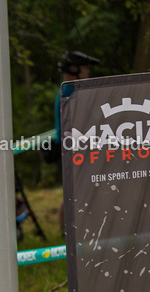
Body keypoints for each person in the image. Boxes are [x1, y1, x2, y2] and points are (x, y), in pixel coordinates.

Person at [51, 51, 99, 229]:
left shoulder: (66, 89)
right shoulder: (71, 90)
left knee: (71, 194)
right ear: (74, 68)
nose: (88, 72)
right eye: (85, 68)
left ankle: (67, 234)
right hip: (71, 151)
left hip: (69, 149)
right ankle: (67, 234)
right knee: (74, 194)